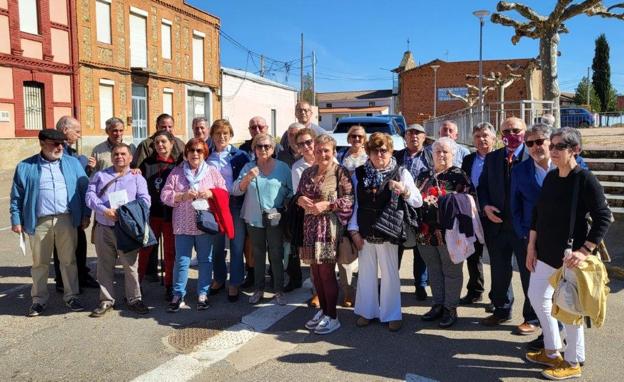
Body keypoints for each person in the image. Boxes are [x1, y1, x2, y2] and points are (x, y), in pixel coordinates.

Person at [525, 127, 611, 380]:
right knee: (536, 296)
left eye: (559, 146)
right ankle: (552, 350)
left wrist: (585, 250)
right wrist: (531, 246)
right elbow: (538, 214)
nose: (552, 150)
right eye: (551, 146)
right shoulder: (552, 177)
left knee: (569, 308)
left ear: (575, 150)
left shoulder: (584, 179)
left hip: (569, 257)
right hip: (544, 253)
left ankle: (573, 361)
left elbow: (603, 217)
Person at [10, 129, 90, 316]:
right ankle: (38, 300)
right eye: (55, 144)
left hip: (67, 219)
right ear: (42, 143)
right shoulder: (25, 166)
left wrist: (86, 214)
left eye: (62, 143)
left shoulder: (73, 163)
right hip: (39, 221)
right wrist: (16, 219)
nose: (60, 147)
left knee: (69, 261)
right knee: (40, 263)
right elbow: (16, 197)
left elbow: (85, 189)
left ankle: (71, 296)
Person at [348, 132, 422, 332]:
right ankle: (367, 311)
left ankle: (391, 314)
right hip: (365, 231)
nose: (379, 154)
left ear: (391, 152)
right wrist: (353, 231)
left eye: (384, 150)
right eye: (375, 150)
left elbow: (418, 201)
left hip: (389, 232)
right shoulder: (359, 173)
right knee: (366, 274)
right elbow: (355, 204)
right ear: (368, 152)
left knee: (390, 275)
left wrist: (404, 190)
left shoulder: (401, 172)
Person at [477, 117, 538, 333]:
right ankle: (501, 310)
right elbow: (482, 187)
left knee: (528, 274)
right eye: (506, 131)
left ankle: (531, 318)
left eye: (516, 130)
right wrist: (484, 207)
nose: (511, 134)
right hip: (497, 227)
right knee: (500, 272)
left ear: (524, 132)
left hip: (523, 229)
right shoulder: (493, 158)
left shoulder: (532, 156)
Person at [160, 138, 227, 312]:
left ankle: (202, 294)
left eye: (199, 150)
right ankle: (178, 294)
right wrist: (182, 196)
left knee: (205, 260)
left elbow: (224, 192)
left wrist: (211, 193)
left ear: (204, 153)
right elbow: (164, 195)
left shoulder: (212, 172)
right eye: (192, 150)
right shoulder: (177, 172)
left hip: (204, 224)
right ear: (186, 153)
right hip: (182, 224)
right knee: (182, 261)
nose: (195, 154)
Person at [85, 143, 150, 317]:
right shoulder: (100, 175)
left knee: (130, 266)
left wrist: (126, 213)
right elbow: (89, 196)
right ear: (111, 157)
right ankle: (106, 300)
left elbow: (145, 200)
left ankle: (134, 299)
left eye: (123, 154)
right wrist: (104, 210)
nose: (119, 157)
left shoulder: (137, 178)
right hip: (104, 227)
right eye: (115, 154)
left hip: (126, 229)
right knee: (104, 265)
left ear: (130, 158)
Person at [298, 135, 354, 334]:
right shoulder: (307, 172)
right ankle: (323, 311)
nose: (322, 154)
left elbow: (349, 199)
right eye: (319, 150)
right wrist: (301, 200)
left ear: (334, 152)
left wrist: (329, 205)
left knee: (327, 274)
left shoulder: (340, 172)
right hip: (309, 228)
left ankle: (333, 316)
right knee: (316, 274)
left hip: (328, 230)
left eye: (326, 150)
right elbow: (298, 195)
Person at [415, 137, 472, 328]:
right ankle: (437, 304)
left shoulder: (458, 175)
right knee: (434, 270)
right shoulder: (424, 174)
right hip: (425, 232)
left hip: (450, 233)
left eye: (445, 152)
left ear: (453, 154)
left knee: (451, 271)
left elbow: (467, 201)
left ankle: (450, 308)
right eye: (437, 151)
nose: (441, 155)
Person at [233, 133, 293, 306]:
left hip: (275, 218)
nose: (263, 149)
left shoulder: (283, 168)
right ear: (254, 150)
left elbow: (291, 191)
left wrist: (284, 206)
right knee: (257, 255)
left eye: (267, 146)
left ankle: (278, 290)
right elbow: (236, 190)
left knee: (276, 254)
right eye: (259, 146)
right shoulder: (248, 167)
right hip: (254, 218)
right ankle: (258, 289)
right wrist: (247, 178)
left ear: (273, 149)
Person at [205, 119, 250, 302]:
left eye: (225, 133)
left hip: (234, 203)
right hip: (213, 204)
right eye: (218, 133)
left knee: (236, 245)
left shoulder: (240, 155)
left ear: (230, 135)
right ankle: (219, 278)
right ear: (212, 136)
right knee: (216, 246)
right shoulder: (207, 155)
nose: (222, 137)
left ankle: (235, 282)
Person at [53, 116, 99, 291]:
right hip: (62, 210)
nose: (79, 135)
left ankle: (81, 275)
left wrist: (87, 169)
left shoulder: (72, 154)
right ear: (65, 130)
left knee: (79, 244)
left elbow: (79, 182)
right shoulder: (56, 153)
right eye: (77, 131)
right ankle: (61, 281)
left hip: (76, 209)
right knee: (62, 248)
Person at [137, 130, 179, 301]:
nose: (160, 145)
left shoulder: (178, 164)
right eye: (157, 143)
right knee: (145, 251)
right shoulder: (146, 164)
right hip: (151, 215)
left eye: (163, 142)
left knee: (170, 252)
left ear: (171, 143)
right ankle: (136, 285)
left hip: (170, 215)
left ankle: (170, 285)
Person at [393, 123, 433, 301]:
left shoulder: (430, 156)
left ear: (424, 137)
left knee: (420, 248)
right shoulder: (396, 156)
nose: (414, 137)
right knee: (397, 246)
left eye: (418, 134)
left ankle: (420, 285)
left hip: (422, 206)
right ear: (405, 138)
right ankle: (392, 284)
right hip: (399, 207)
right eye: (410, 134)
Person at [459, 122, 496, 306]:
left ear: (493, 138)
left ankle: (497, 298)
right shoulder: (468, 159)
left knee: (497, 259)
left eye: (485, 135)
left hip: (495, 215)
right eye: (478, 136)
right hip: (472, 214)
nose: (481, 139)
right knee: (473, 256)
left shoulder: (500, 158)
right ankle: (475, 290)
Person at [336, 124, 368, 308]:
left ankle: (365, 292)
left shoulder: (369, 157)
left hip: (364, 209)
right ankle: (348, 291)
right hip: (344, 208)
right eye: (353, 136)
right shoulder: (341, 156)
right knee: (344, 253)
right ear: (348, 139)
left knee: (365, 253)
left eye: (360, 137)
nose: (356, 140)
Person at [285, 126, 317, 296]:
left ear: (314, 141)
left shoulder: (329, 159)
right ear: (297, 147)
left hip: (330, 213)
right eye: (301, 144)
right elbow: (301, 192)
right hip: (309, 216)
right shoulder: (297, 167)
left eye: (308, 142)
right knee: (313, 257)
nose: (306, 146)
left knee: (329, 257)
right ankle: (317, 291)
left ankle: (340, 289)